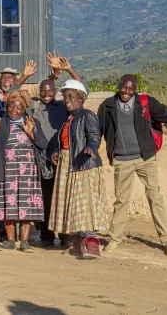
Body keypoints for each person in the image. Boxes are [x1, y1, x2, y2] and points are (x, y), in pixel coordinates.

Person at [99, 74, 167, 257]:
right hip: (122, 160)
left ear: (135, 89)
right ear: (118, 86)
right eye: (124, 87)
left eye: (131, 89)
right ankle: (114, 239)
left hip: (145, 158)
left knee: (155, 196)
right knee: (121, 201)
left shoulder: (146, 103)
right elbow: (96, 130)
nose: (126, 92)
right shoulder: (107, 106)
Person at [27, 52, 81, 248]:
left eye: (50, 90)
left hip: (63, 157)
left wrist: (67, 70)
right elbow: (12, 93)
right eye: (43, 91)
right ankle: (47, 235)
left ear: (56, 91)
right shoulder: (33, 106)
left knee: (64, 197)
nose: (47, 93)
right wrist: (47, 77)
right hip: (41, 158)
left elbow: (81, 89)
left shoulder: (63, 106)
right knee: (46, 198)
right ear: (39, 92)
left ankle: (65, 235)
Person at [48, 79, 106, 259]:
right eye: (65, 97)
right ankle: (78, 243)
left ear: (81, 97)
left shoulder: (87, 115)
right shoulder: (69, 119)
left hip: (83, 164)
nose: (67, 100)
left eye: (71, 96)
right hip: (69, 164)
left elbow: (94, 135)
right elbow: (66, 141)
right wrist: (57, 151)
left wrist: (92, 147)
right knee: (73, 205)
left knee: (85, 205)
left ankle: (93, 243)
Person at [0, 90, 48, 253]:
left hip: (27, 171)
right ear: (6, 107)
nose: (14, 110)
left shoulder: (32, 122)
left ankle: (25, 242)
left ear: (24, 108)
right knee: (9, 205)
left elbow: (43, 144)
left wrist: (30, 133)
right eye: (11, 106)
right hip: (7, 170)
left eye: (18, 107)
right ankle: (10, 241)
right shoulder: (1, 122)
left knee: (25, 206)